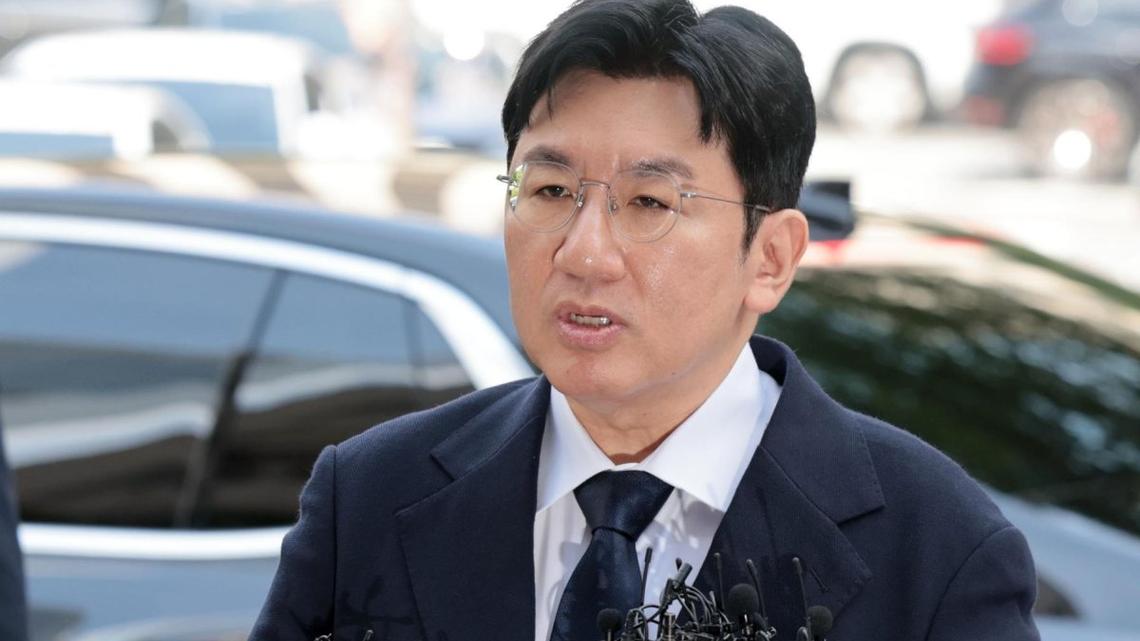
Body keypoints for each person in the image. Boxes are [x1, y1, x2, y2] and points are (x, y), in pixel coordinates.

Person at [252, 1, 1040, 640]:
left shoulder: (936, 549)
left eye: (649, 203)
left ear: (770, 257)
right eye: (550, 190)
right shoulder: (370, 495)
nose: (584, 252)